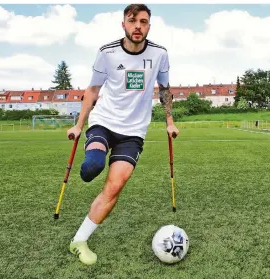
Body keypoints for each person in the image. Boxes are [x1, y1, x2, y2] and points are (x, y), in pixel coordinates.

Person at [66, 3, 179, 265]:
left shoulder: (160, 54)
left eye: (143, 21)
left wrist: (169, 122)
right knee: (92, 166)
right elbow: (92, 91)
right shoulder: (107, 53)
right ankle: (93, 157)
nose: (137, 26)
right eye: (132, 20)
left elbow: (165, 89)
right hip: (104, 121)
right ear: (123, 24)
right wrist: (78, 124)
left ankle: (79, 241)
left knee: (115, 185)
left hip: (133, 131)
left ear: (149, 26)